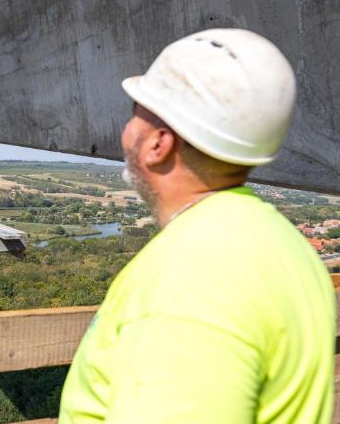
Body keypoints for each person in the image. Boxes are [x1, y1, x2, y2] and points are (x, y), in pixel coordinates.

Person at [59, 28, 335, 423]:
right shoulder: (286, 245)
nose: (125, 131)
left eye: (134, 114)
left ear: (158, 144)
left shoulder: (190, 280)